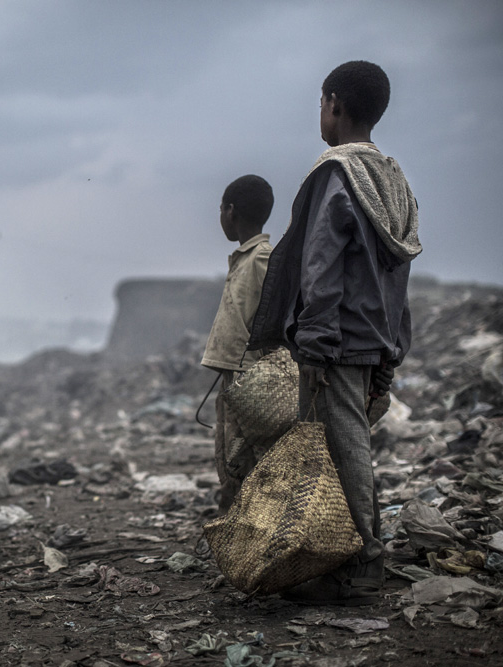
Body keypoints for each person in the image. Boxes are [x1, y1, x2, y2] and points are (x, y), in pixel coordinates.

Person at [247, 60, 420, 605]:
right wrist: (391, 353)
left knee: (340, 448)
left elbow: (320, 266)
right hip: (374, 337)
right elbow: (397, 275)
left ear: (335, 103)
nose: (320, 114)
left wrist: (314, 344)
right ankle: (335, 554)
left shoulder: (336, 174)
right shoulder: (393, 178)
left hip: (336, 339)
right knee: (348, 443)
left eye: (321, 104)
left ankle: (361, 560)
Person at [201, 174, 274, 512]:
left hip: (252, 381)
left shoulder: (261, 259)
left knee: (246, 463)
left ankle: (250, 533)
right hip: (235, 376)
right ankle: (236, 529)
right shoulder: (245, 257)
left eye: (220, 209)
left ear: (230, 211)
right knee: (229, 460)